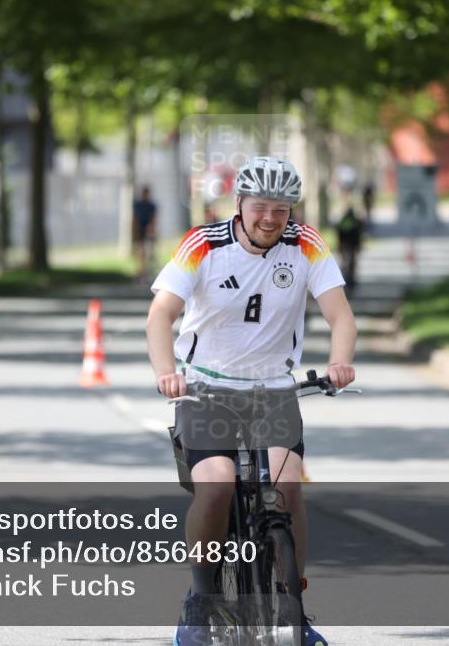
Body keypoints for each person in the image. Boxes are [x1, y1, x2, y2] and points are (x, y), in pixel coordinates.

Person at [147, 156, 357, 646]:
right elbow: (161, 316)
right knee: (216, 487)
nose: (270, 218)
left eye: (281, 209)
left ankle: (294, 608)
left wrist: (340, 362)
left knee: (288, 488)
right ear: (238, 204)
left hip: (273, 392)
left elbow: (340, 317)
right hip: (206, 391)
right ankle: (200, 605)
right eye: (260, 206)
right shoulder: (202, 245)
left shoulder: (306, 245)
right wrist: (166, 373)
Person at [133, 185, 158, 282]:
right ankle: (141, 271)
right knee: (141, 251)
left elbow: (154, 219)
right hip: (140, 229)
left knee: (150, 251)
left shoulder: (151, 206)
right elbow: (136, 218)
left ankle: (147, 270)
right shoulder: (138, 205)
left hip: (149, 229)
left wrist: (153, 230)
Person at [336, 206, 363, 292]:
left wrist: (340, 245)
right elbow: (358, 235)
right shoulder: (356, 222)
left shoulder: (343, 221)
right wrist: (358, 246)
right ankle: (351, 278)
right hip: (352, 245)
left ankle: (343, 278)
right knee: (352, 263)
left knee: (344, 262)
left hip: (345, 244)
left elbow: (339, 232)